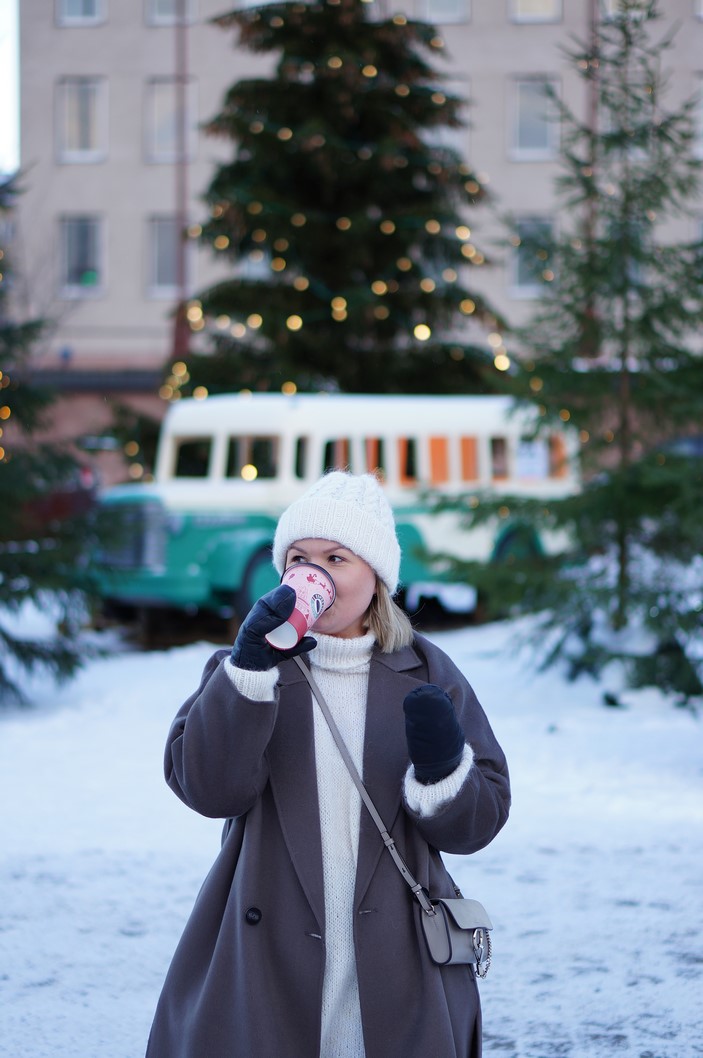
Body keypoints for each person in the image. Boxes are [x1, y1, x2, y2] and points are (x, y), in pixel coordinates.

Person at [146, 471, 510, 1058]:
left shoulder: (427, 672)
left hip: (398, 963)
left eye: (336, 558)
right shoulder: (246, 667)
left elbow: (479, 825)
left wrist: (444, 773)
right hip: (266, 960)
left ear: (377, 578)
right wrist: (248, 672)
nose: (312, 574)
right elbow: (210, 790)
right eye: (299, 559)